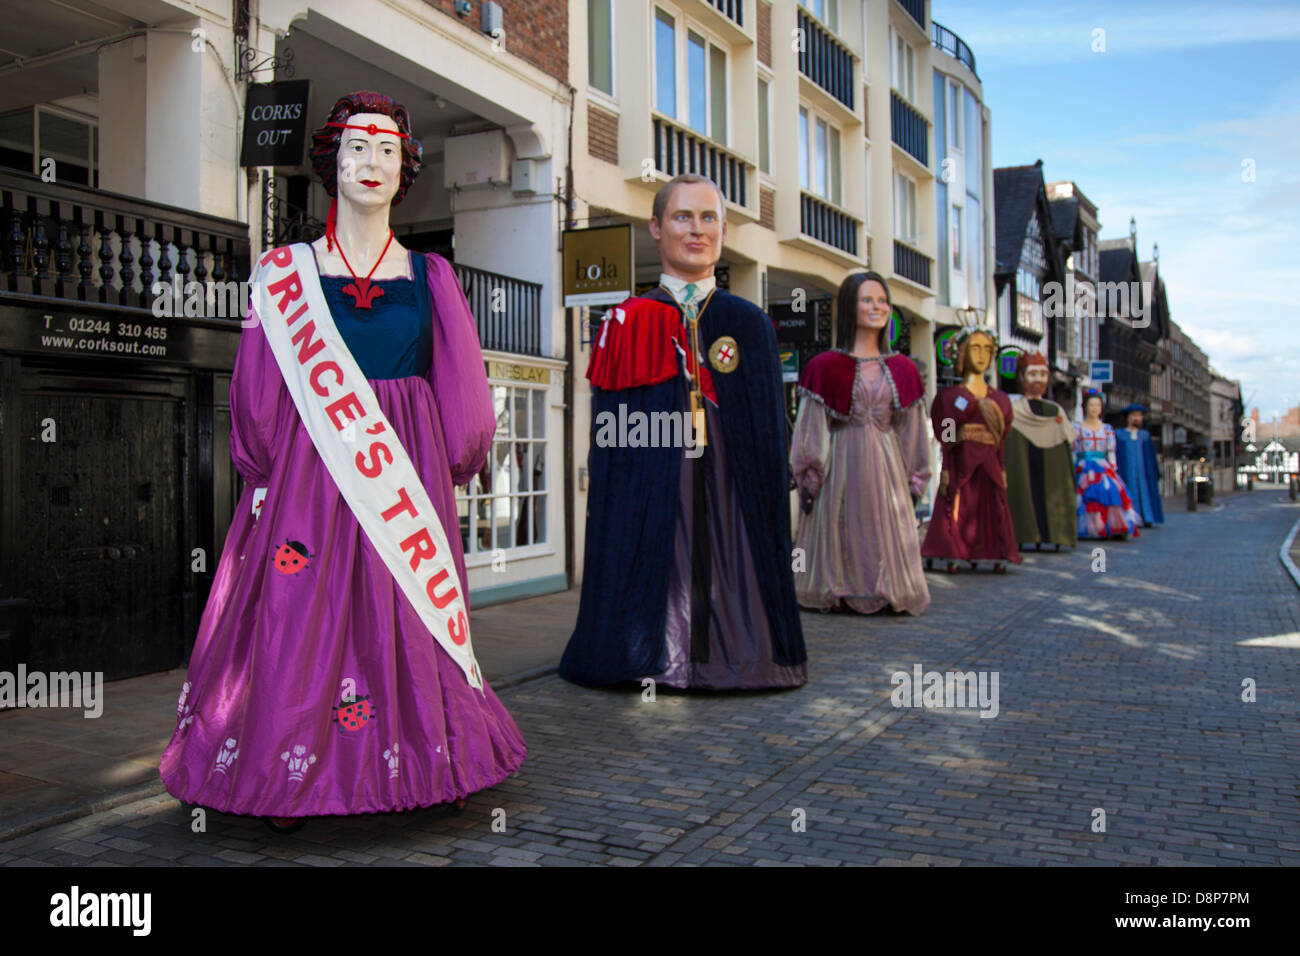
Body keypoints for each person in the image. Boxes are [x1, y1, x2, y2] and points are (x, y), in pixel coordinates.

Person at [159, 92, 526, 832]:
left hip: (403, 473)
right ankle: (285, 776)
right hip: (311, 468)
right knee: (302, 614)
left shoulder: (432, 278)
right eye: (357, 148)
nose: (371, 162)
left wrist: (458, 457)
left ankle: (434, 757)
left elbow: (459, 391)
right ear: (331, 163)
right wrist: (263, 464)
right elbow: (258, 386)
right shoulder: (284, 273)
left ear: (404, 170)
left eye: (387, 150)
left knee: (410, 614)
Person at [560, 173, 806, 689]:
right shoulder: (626, 320)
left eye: (708, 217)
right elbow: (611, 439)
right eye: (682, 217)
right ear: (656, 227)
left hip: (729, 487)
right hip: (653, 484)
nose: (697, 230)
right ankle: (650, 654)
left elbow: (767, 436)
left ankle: (737, 653)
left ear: (722, 229)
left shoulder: (751, 324)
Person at [790, 272, 930, 614]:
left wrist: (916, 480)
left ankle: (884, 587)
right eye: (867, 300)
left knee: (883, 524)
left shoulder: (903, 369)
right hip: (839, 460)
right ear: (850, 306)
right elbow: (811, 428)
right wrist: (809, 475)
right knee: (840, 522)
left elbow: (912, 432)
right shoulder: (824, 367)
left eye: (882, 300)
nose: (877, 307)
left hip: (887, 465)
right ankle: (833, 586)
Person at [920, 326, 1021, 572]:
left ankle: (993, 550)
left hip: (990, 460)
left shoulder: (1000, 400)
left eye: (988, 349)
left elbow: (1001, 435)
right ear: (962, 354)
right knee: (956, 504)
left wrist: (1002, 466)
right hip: (961, 460)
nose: (981, 355)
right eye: (975, 348)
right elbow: (945, 433)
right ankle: (952, 550)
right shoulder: (949, 397)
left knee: (992, 505)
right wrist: (945, 466)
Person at [1004, 351, 1078, 551]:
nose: (1038, 379)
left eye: (1043, 374)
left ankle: (1054, 533)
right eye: (1033, 374)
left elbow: (1066, 443)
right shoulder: (1013, 409)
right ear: (1021, 377)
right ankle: (1024, 533)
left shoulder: (1055, 411)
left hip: (1049, 467)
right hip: (1022, 464)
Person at [1074, 390, 1141, 539]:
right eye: (1091, 405)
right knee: (1086, 495)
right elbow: (1074, 449)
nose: (1094, 408)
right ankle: (1090, 526)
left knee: (1111, 492)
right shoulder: (1078, 428)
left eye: (1097, 405)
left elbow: (1111, 450)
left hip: (1102, 466)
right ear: (1085, 406)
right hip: (1084, 465)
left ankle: (1112, 525)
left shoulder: (1107, 429)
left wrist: (1113, 465)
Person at [1113, 403, 1164, 527]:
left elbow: (1150, 457)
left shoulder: (1144, 436)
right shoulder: (1119, 435)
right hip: (1126, 471)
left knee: (1144, 491)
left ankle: (1147, 517)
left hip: (1142, 472)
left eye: (1139, 416)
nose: (1136, 419)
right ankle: (1130, 518)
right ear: (1127, 418)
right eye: (1134, 416)